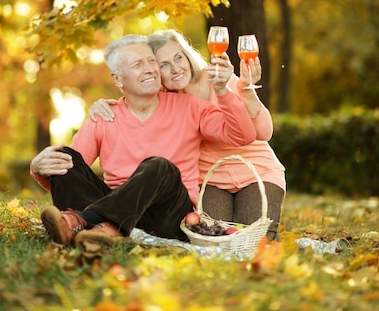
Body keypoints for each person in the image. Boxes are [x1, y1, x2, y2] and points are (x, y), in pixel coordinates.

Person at [31, 34, 257, 247]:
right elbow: (71, 172)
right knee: (66, 156)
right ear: (118, 79)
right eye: (138, 64)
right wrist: (37, 169)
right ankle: (105, 228)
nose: (150, 69)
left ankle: (80, 221)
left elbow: (242, 135)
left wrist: (223, 92)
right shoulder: (105, 116)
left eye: (151, 61)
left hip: (167, 216)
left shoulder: (189, 107)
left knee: (159, 166)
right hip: (118, 204)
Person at [89, 30, 286, 240]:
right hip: (209, 180)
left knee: (257, 238)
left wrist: (246, 89)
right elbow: (134, 106)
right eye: (163, 64)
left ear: (187, 55)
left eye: (178, 57)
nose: (175, 69)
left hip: (258, 170)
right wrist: (104, 105)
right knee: (213, 238)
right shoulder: (162, 100)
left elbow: (264, 132)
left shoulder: (219, 80)